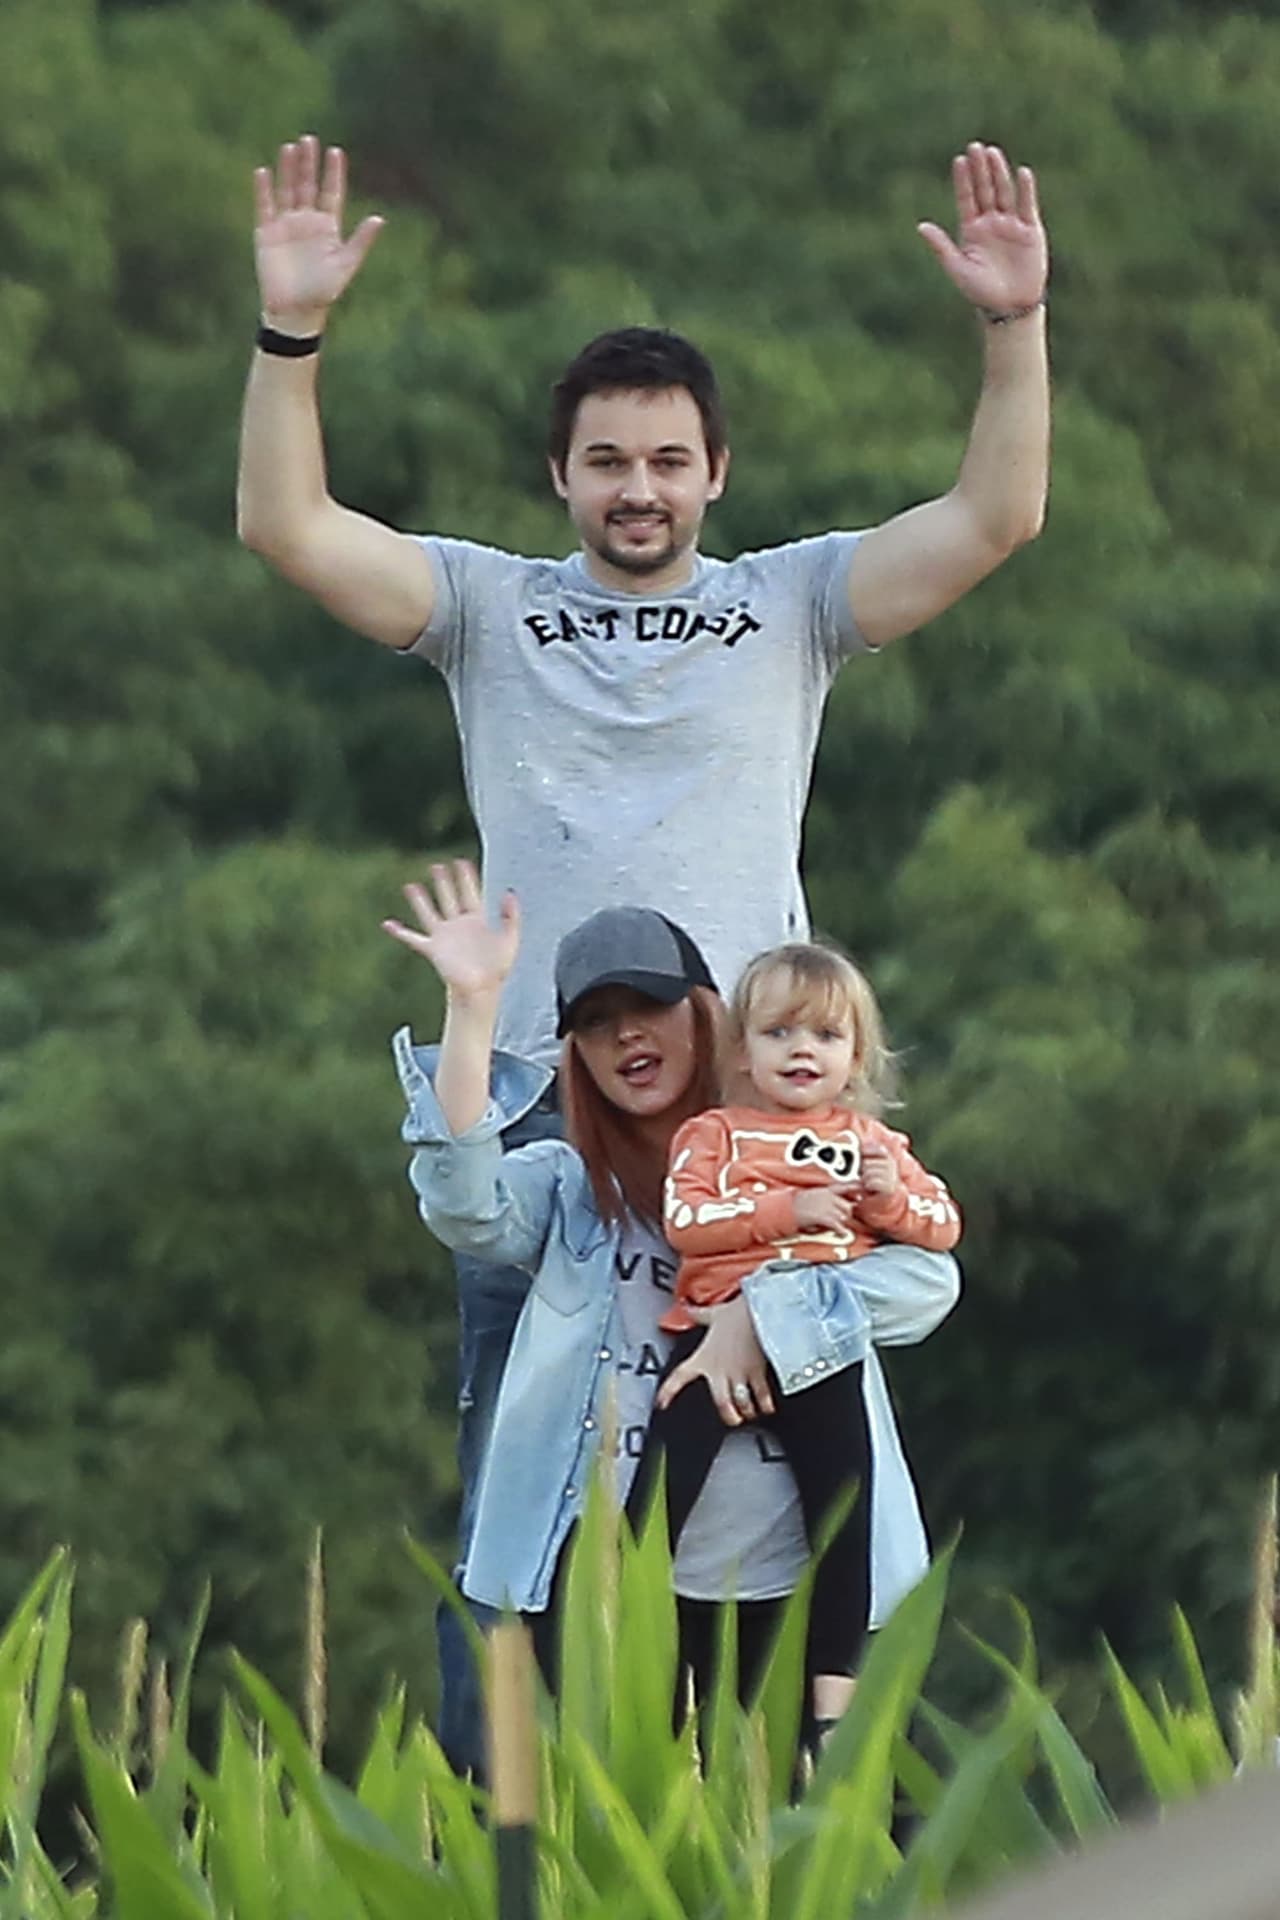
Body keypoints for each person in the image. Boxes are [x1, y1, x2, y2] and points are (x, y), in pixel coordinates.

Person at [239, 132, 1047, 1762]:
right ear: (561, 475)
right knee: (525, 1486)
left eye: (668, 461)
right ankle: (507, 1825)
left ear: (716, 473)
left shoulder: (789, 607)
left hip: (752, 1117)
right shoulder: (486, 608)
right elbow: (289, 527)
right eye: (607, 460)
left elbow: (995, 516)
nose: (638, 488)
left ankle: (803, 1796)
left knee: (800, 1468)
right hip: (549, 1110)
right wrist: (290, 332)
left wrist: (1014, 326)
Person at [384, 861, 960, 1753]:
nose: (627, 1036)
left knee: (836, 1827)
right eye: (597, 1022)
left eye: (649, 1007)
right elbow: (466, 1203)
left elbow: (929, 1282)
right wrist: (472, 1006)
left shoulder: (806, 1153)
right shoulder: (570, 1187)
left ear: (706, 1018)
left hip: (805, 1587)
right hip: (627, 1597)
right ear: (577, 1054)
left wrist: (756, 1318)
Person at [633, 941, 961, 1736]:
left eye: (825, 1035)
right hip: (712, 1335)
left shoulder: (874, 1144)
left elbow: (942, 1228)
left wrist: (887, 1203)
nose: (802, 1050)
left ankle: (832, 1700)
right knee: (657, 1496)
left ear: (856, 1058)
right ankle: (634, 1663)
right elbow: (688, 1221)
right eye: (779, 1033)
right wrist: (789, 1212)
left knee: (843, 1506)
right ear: (742, 1051)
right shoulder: (713, 1136)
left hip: (816, 1350)